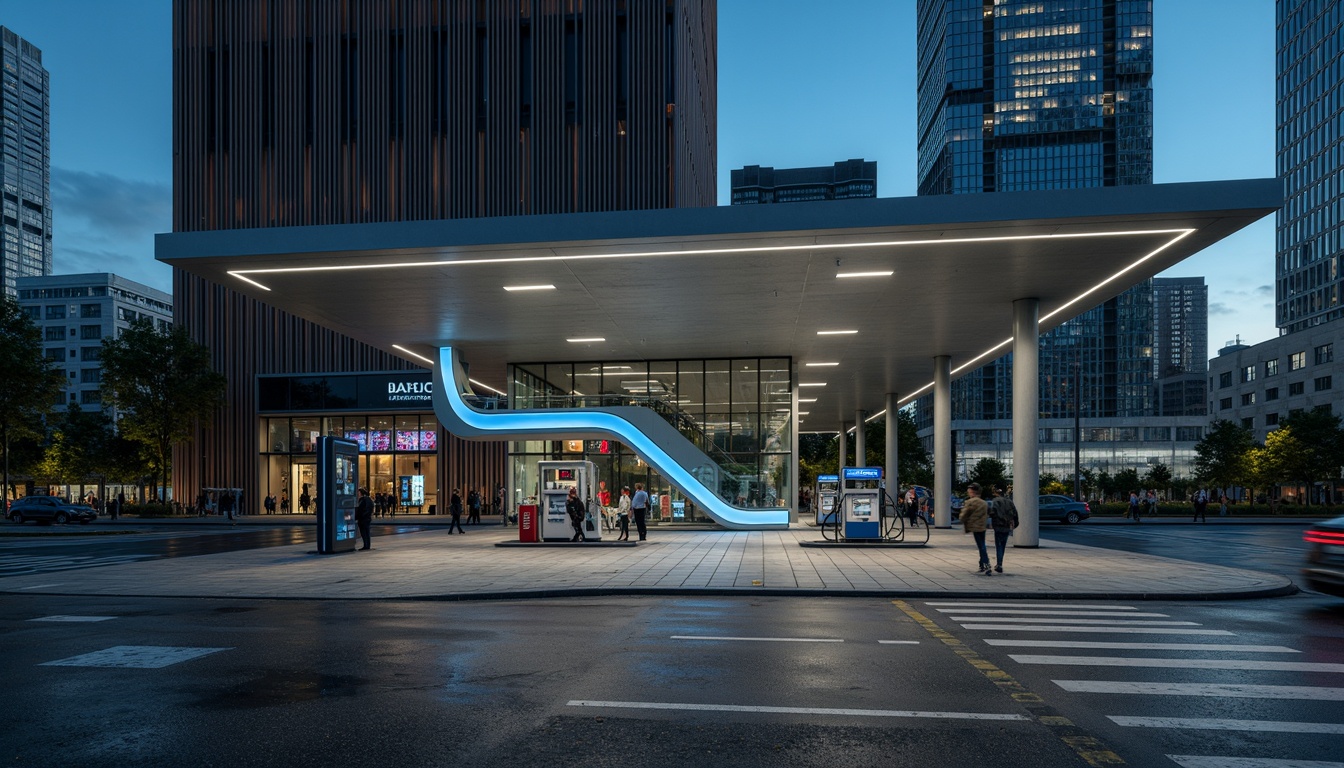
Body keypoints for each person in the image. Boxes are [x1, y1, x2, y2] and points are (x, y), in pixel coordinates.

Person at [987, 484, 1019, 573]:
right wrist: (1015, 524)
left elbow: (991, 513)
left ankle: (999, 564)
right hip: (1007, 525)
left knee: (998, 545)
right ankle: (1000, 563)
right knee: (1003, 544)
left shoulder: (995, 501)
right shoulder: (1009, 501)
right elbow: (1015, 513)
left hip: (998, 525)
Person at [961, 483, 991, 575]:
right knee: (982, 544)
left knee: (981, 546)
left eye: (969, 491)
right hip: (982, 526)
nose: (968, 493)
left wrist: (962, 518)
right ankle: (982, 564)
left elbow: (963, 515)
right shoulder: (984, 503)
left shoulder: (970, 502)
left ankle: (986, 564)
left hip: (975, 526)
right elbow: (988, 513)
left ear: (972, 492)